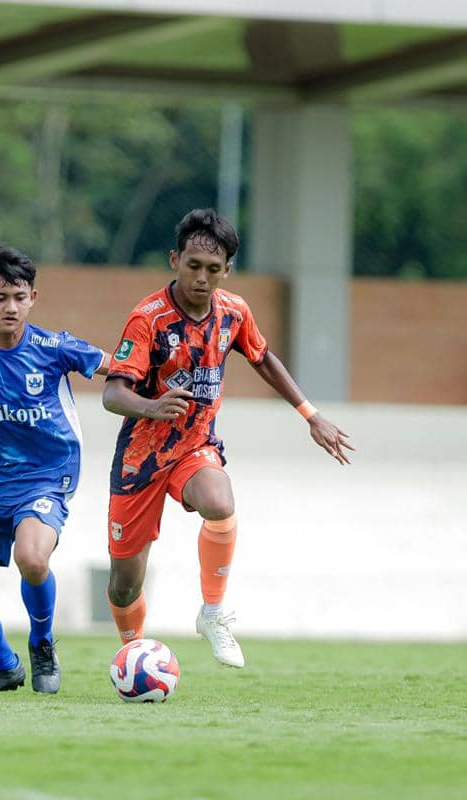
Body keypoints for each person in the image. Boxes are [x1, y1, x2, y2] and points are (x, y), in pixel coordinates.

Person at [101, 209, 353, 669]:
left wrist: (311, 415)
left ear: (227, 270)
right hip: (141, 459)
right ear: (175, 259)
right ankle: (133, 653)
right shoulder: (148, 318)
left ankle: (213, 613)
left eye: (213, 269)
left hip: (195, 446)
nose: (201, 277)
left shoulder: (234, 311)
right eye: (193, 265)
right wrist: (152, 406)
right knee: (124, 584)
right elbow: (113, 393)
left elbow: (263, 357)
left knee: (219, 501)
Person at [0, 241, 109, 693]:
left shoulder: (54, 346)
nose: (11, 306)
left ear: (33, 298)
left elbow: (118, 366)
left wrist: (156, 383)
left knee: (32, 557)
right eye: (0, 297)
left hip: (47, 476)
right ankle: (4, 666)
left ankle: (42, 642)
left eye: (20, 296)